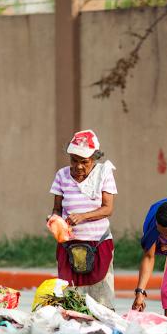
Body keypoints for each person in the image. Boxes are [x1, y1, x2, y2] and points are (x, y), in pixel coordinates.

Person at [49, 130, 118, 308]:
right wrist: (55, 221)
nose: (78, 166)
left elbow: (108, 208)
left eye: (84, 162)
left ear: (94, 158)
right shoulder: (61, 175)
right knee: (71, 298)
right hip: (69, 245)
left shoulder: (104, 173)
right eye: (74, 160)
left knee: (101, 298)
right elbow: (57, 208)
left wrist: (83, 216)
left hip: (98, 243)